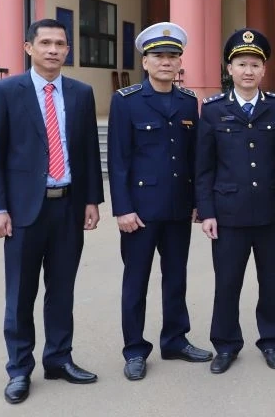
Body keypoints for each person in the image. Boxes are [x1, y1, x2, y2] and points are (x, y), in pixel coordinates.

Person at [0, 19, 103, 404]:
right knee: (20, 293)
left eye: (61, 44)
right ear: (29, 47)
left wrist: (91, 201)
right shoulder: (4, 91)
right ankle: (19, 369)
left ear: (68, 50)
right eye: (46, 43)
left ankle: (58, 359)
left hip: (68, 207)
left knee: (61, 290)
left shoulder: (81, 94)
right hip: (22, 212)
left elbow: (86, 153)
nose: (54, 49)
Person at [107, 22, 212, 382]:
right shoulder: (126, 101)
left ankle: (175, 339)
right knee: (136, 281)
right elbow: (118, 160)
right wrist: (122, 208)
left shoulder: (187, 101)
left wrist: (199, 201)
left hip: (178, 207)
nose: (166, 62)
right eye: (158, 56)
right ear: (146, 61)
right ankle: (134, 349)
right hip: (139, 210)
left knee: (176, 278)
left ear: (180, 62)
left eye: (172, 56)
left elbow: (195, 157)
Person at [196, 28, 275, 375]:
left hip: (271, 213)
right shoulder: (212, 110)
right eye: (241, 64)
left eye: (255, 64)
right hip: (228, 214)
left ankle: (271, 341)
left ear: (264, 69)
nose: (248, 71)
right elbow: (204, 168)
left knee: (272, 282)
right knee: (227, 283)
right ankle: (225, 345)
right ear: (229, 68)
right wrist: (206, 212)